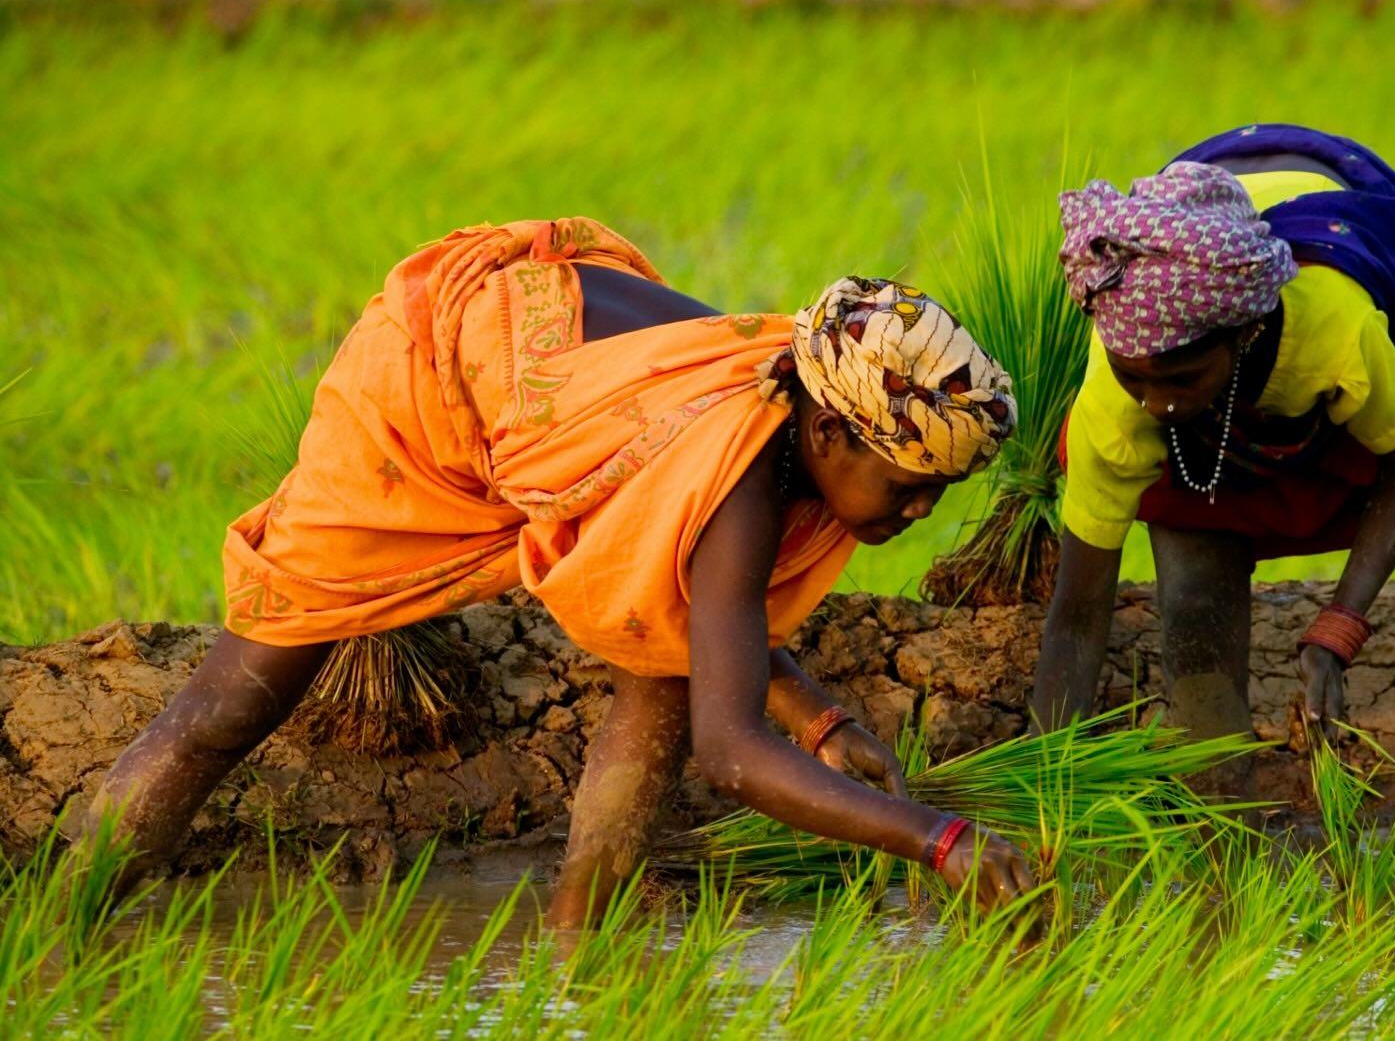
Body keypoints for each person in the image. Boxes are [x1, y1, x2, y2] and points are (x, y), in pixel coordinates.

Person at [67, 217, 1035, 924]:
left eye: (937, 497)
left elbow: (700, 622)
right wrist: (936, 840)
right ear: (829, 428)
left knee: (662, 669)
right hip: (436, 382)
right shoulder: (734, 479)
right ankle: (64, 922)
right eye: (909, 486)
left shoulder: (784, 400)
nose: (918, 514)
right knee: (238, 701)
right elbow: (731, 756)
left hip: (547, 354)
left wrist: (821, 721)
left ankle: (582, 947)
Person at [1032, 126, 1395, 838]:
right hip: (1210, 300)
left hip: (1385, 317)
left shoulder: (1333, 329)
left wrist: (1340, 627)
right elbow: (1077, 619)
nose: (1158, 402)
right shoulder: (1123, 388)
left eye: (1182, 379)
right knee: (1192, 597)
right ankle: (1225, 831)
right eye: (1139, 379)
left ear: (1243, 336)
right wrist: (1037, 804)